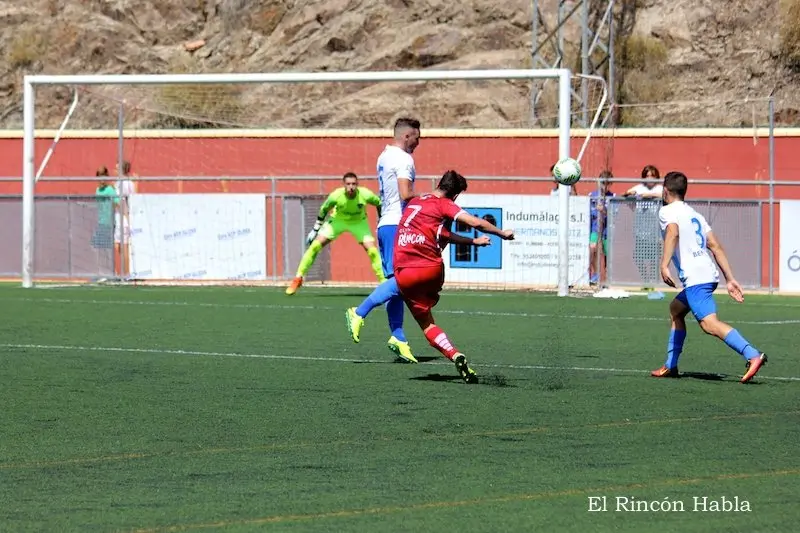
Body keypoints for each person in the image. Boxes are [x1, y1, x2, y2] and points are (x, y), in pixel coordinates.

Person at [393, 170, 514, 382]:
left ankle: (453, 353)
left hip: (402, 270)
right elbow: (475, 222)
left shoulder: (415, 203)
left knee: (426, 323)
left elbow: (440, 234)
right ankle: (452, 346)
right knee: (429, 294)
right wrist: (502, 233)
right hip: (430, 269)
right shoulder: (444, 204)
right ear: (455, 195)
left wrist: (472, 242)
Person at [651, 171, 767, 383]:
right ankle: (671, 365)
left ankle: (752, 354)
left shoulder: (667, 211)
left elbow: (672, 233)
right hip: (707, 273)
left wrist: (664, 264)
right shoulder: (696, 214)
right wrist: (730, 279)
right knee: (676, 310)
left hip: (696, 277)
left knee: (709, 324)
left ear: (665, 191)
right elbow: (715, 246)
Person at [345, 118, 421, 363]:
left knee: (396, 283)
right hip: (398, 224)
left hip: (386, 224)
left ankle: (398, 338)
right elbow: (405, 194)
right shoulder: (403, 159)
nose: (419, 143)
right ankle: (359, 312)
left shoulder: (384, 155)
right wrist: (429, 201)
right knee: (405, 281)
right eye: (417, 137)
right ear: (407, 136)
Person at [286, 172, 384, 295]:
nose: (351, 187)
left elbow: (379, 203)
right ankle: (298, 278)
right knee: (315, 246)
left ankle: (384, 283)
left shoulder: (365, 194)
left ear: (357, 185)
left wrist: (381, 220)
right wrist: (315, 229)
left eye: (354, 184)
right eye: (348, 184)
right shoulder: (336, 196)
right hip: (338, 221)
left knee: (373, 251)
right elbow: (324, 209)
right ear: (344, 185)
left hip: (359, 222)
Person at [624, 164, 663, 289]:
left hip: (655, 228)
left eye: (652, 176)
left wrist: (648, 195)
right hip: (640, 227)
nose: (650, 178)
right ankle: (645, 279)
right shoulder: (639, 187)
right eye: (647, 176)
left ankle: (652, 281)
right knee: (638, 256)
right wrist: (629, 194)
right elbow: (626, 194)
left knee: (654, 256)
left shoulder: (660, 188)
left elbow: (665, 196)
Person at [589, 170, 614, 285]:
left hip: (607, 231)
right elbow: (588, 213)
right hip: (595, 229)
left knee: (608, 253)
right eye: (602, 182)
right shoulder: (592, 196)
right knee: (593, 248)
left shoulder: (612, 197)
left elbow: (614, 215)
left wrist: (603, 210)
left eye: (607, 183)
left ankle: (608, 276)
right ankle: (594, 274)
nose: (604, 185)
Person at [114, 160, 137, 278]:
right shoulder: (120, 183)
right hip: (119, 217)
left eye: (117, 168)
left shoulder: (124, 184)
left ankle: (127, 273)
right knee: (118, 245)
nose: (115, 170)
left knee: (124, 246)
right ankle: (123, 272)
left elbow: (123, 201)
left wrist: (125, 214)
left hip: (123, 218)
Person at [91, 166, 117, 255]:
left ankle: (112, 268)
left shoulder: (110, 190)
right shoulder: (97, 190)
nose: (102, 181)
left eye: (104, 178)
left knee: (106, 248)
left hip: (108, 223)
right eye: (99, 178)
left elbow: (117, 203)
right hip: (101, 221)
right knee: (99, 247)